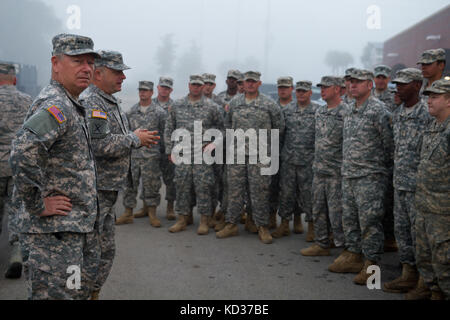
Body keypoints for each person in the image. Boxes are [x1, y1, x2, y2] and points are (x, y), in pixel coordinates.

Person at [9, 33, 101, 300]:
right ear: (56, 63)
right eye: (77, 61)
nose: (86, 68)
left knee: (72, 293)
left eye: (89, 62)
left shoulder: (73, 103)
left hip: (70, 230)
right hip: (53, 235)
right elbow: (22, 152)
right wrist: (37, 204)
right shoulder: (56, 104)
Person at [80, 50, 158, 299]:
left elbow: (108, 137)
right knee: (92, 252)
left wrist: (132, 135)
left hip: (107, 191)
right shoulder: (94, 102)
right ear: (98, 74)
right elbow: (100, 145)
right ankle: (84, 293)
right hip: (96, 191)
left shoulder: (108, 101)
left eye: (123, 72)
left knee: (105, 250)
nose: (123, 77)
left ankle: (93, 292)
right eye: (117, 72)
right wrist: (134, 138)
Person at [328, 69, 394, 286]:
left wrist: (377, 170)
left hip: (370, 177)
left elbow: (389, 145)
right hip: (349, 175)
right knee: (350, 219)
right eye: (350, 82)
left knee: (370, 222)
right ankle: (354, 254)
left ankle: (372, 265)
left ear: (369, 85)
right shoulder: (350, 110)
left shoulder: (378, 110)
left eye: (357, 82)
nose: (352, 86)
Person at [217, 71, 284, 244]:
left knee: (260, 191)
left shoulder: (269, 104)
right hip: (237, 154)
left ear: (259, 83)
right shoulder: (235, 103)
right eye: (247, 81)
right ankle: (231, 224)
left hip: (259, 155)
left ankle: (261, 226)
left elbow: (279, 127)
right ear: (243, 83)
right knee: (235, 191)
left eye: (254, 82)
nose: (250, 84)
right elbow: (227, 124)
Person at [382, 68, 431, 294]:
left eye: (403, 84)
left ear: (418, 85)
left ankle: (425, 280)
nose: (398, 87)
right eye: (397, 84)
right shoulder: (398, 112)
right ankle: (407, 273)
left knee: (419, 234)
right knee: (402, 231)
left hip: (419, 186)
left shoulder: (427, 113)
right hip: (399, 182)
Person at [164, 75, 224, 235]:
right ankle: (182, 219)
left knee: (203, 187)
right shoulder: (177, 106)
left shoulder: (212, 107)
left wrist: (213, 144)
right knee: (182, 186)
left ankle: (204, 220)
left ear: (203, 86)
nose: (196, 88)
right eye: (193, 85)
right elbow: (169, 129)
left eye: (199, 85)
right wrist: (169, 150)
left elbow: (222, 130)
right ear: (189, 85)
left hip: (202, 156)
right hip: (182, 154)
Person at [406, 79, 450, 300]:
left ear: (449, 101)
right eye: (428, 96)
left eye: (435, 97)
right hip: (424, 207)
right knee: (425, 257)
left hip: (443, 212)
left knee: (445, 262)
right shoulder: (432, 127)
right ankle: (434, 292)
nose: (429, 101)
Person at [300, 76, 347, 256]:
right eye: (322, 87)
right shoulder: (320, 112)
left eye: (327, 87)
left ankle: (344, 248)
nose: (323, 90)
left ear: (337, 89)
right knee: (318, 208)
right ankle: (321, 243)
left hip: (336, 172)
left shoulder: (346, 112)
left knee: (337, 213)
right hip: (319, 170)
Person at [273, 80, 319, 241]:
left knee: (308, 195)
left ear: (310, 93)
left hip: (308, 161)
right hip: (289, 160)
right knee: (286, 194)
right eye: (298, 91)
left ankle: (312, 227)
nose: (301, 94)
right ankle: (284, 224)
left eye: (304, 91)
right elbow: (281, 134)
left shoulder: (317, 111)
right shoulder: (287, 110)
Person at [0, 63, 32, 279]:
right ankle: (16, 254)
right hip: (17, 164)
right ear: (14, 79)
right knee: (16, 211)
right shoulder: (27, 101)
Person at [121, 81, 166, 227]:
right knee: (130, 185)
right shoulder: (131, 112)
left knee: (151, 184)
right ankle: (128, 212)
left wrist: (164, 154)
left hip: (151, 156)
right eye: (140, 90)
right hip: (134, 156)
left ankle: (152, 213)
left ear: (152, 93)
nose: (142, 93)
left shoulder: (159, 112)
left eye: (146, 90)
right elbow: (126, 133)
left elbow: (164, 134)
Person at [153, 76, 176, 221]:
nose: (164, 90)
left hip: (169, 149)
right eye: (162, 87)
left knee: (170, 180)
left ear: (171, 90)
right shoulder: (150, 104)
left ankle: (170, 208)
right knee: (151, 179)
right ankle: (148, 207)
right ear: (158, 87)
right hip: (153, 148)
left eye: (167, 88)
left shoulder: (175, 106)